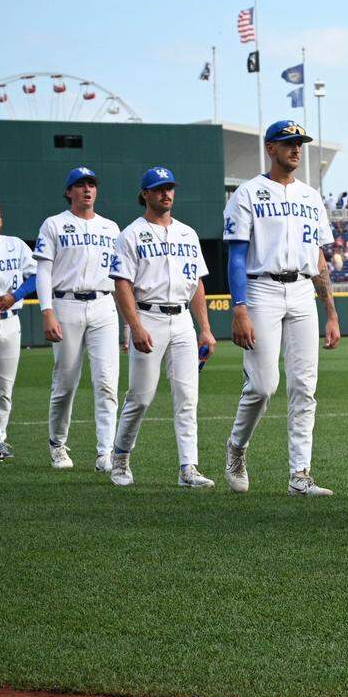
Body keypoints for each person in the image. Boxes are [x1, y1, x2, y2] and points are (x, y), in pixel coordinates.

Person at [222, 120, 340, 496]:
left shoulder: (311, 196)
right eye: (288, 143)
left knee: (305, 387)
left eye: (299, 143)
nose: (296, 149)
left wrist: (332, 312)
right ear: (270, 148)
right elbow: (236, 255)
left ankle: (300, 475)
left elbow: (319, 259)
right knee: (262, 385)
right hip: (262, 291)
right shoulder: (248, 193)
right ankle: (237, 448)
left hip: (303, 290)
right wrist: (238, 307)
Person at [106, 167, 217, 488]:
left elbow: (196, 283)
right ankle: (121, 456)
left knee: (187, 397)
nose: (166, 194)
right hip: (148, 317)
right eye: (158, 189)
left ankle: (189, 468)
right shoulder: (130, 234)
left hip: (182, 319)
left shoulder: (187, 233)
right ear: (145, 194)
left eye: (169, 188)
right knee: (140, 397)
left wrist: (205, 328)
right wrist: (134, 326)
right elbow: (122, 284)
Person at [34, 167, 121, 471]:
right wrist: (47, 311)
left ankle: (106, 451)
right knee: (66, 382)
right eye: (80, 185)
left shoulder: (111, 228)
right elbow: (43, 271)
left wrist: (129, 322)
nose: (87, 189)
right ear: (69, 191)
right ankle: (58, 444)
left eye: (91, 184)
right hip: (66, 304)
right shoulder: (54, 224)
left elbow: (123, 277)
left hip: (104, 305)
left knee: (108, 382)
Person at [0, 200, 36, 462]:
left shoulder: (15, 245)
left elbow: (36, 276)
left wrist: (15, 296)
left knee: (5, 388)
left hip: (11, 322)